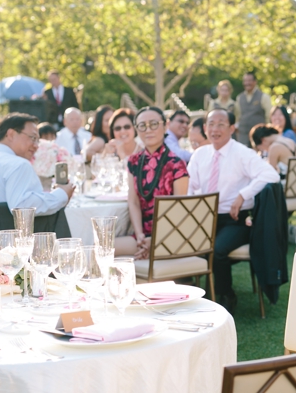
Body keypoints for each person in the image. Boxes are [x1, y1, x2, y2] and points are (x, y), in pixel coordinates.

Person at [187, 109, 279, 312]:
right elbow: (190, 187)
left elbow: (271, 175)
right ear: (204, 128)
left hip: (236, 219)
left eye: (221, 124)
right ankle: (192, 294)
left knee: (217, 249)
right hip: (204, 219)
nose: (215, 129)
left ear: (232, 128)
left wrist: (243, 195)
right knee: (181, 245)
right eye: (211, 124)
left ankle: (226, 294)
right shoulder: (200, 154)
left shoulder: (242, 153)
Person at [116, 107, 189, 259]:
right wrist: (140, 236)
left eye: (154, 124)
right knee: (102, 247)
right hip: (143, 236)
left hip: (171, 235)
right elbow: (133, 202)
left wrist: (156, 240)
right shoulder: (134, 161)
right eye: (142, 125)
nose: (148, 130)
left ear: (165, 126)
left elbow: (179, 210)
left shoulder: (177, 164)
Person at [0, 112, 74, 215]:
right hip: (12, 230)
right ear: (11, 135)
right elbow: (22, 208)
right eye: (33, 138)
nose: (36, 145)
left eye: (38, 140)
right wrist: (61, 194)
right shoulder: (18, 164)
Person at [235, 72, 272, 146]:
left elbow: (269, 116)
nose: (247, 83)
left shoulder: (264, 97)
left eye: (249, 80)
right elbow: (237, 116)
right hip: (243, 135)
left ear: (255, 82)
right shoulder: (239, 98)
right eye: (245, 81)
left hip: (259, 136)